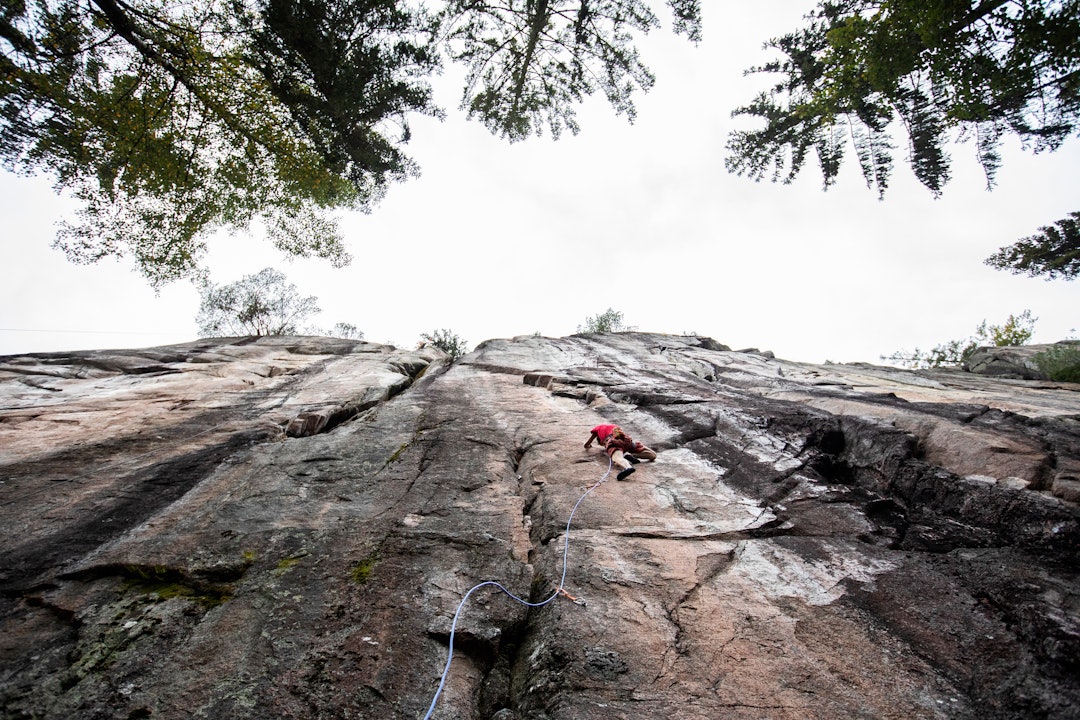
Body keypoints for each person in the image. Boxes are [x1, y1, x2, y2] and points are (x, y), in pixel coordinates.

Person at [583, 423, 656, 480]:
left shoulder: (598, 430)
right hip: (626, 439)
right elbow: (619, 435)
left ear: (600, 440)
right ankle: (630, 455)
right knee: (653, 455)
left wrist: (588, 445)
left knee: (617, 458)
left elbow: (586, 445)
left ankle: (628, 467)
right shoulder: (613, 427)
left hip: (613, 441)